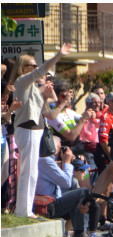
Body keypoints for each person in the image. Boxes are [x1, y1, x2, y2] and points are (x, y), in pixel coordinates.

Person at [10, 42, 71, 218]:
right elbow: (42, 70)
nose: (37, 68)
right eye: (33, 65)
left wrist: (57, 100)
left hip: (35, 130)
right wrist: (59, 55)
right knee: (28, 171)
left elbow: (48, 114)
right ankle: (23, 210)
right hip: (27, 129)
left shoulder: (34, 89)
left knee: (32, 171)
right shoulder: (22, 81)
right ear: (24, 67)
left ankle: (26, 209)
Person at [36, 138, 99, 237]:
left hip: (52, 202)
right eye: (59, 148)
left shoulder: (48, 161)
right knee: (82, 192)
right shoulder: (45, 160)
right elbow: (66, 182)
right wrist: (67, 162)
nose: (62, 151)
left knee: (80, 199)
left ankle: (85, 231)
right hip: (47, 205)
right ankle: (80, 233)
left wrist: (65, 162)